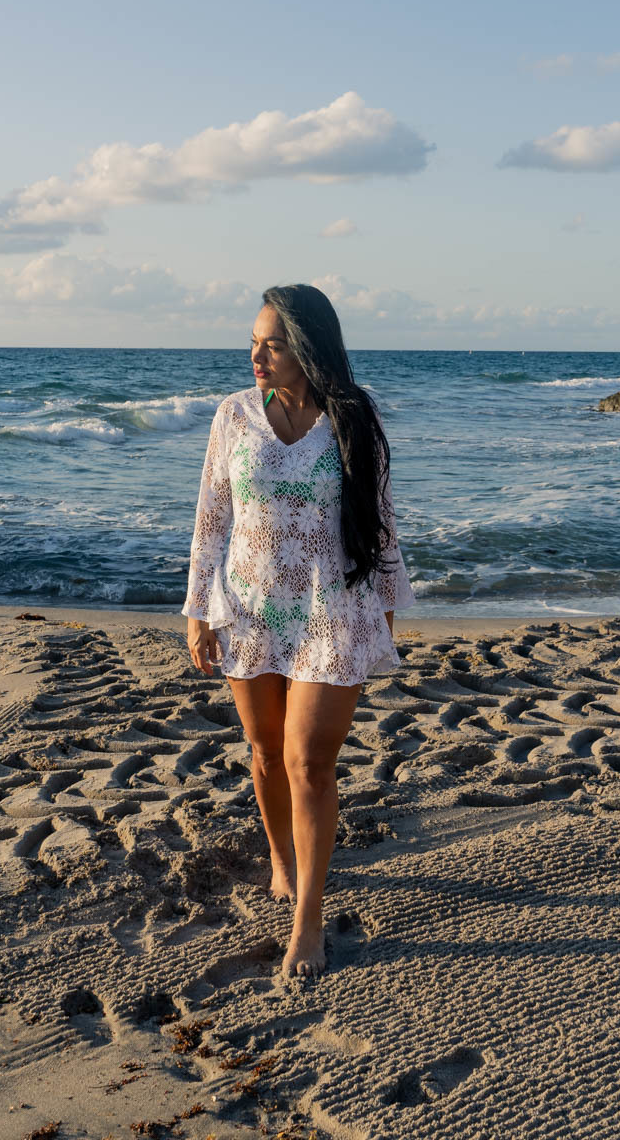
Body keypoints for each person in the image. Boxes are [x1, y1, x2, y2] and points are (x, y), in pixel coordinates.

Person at [182, 283, 415, 978]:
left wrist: (385, 613)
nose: (257, 355)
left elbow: (381, 522)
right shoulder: (233, 416)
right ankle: (282, 859)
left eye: (273, 345)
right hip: (249, 609)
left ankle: (308, 921)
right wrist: (199, 610)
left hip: (330, 611)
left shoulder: (352, 416)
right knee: (262, 751)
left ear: (307, 348)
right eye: (254, 341)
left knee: (309, 762)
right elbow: (211, 519)